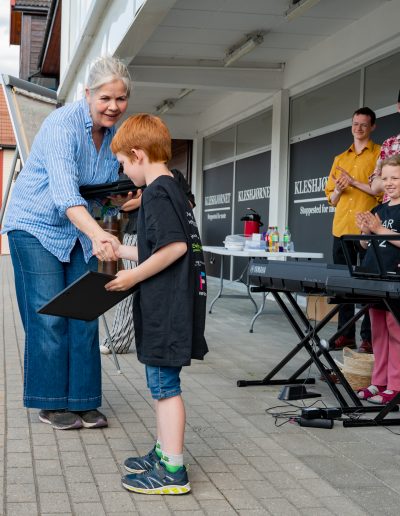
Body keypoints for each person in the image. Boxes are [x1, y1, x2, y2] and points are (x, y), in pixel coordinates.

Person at [1, 56, 131, 430]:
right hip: (36, 226)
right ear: (88, 93)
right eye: (106, 98)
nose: (113, 107)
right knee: (50, 314)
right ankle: (51, 401)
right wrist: (98, 235)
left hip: (78, 228)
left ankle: (84, 400)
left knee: (84, 310)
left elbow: (98, 194)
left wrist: (120, 202)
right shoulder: (62, 126)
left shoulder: (113, 137)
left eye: (121, 99)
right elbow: (65, 195)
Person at [104, 113, 208, 495]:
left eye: (123, 163)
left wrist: (131, 276)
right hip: (170, 303)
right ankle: (164, 452)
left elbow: (175, 248)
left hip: (168, 307)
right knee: (161, 384)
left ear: (138, 154)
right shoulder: (171, 189)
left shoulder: (157, 193)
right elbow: (157, 247)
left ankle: (173, 470)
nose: (124, 171)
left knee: (165, 387)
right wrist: (120, 249)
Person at [100, 170, 195, 355]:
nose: (125, 166)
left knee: (166, 290)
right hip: (135, 234)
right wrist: (157, 199)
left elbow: (188, 203)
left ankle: (169, 339)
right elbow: (117, 205)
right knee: (130, 288)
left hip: (169, 236)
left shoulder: (174, 176)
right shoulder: (127, 176)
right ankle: (118, 340)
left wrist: (148, 198)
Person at [325, 107, 381, 353]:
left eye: (363, 124)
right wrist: (339, 187)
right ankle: (345, 335)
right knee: (343, 285)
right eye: (355, 124)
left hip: (367, 230)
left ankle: (368, 338)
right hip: (341, 229)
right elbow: (332, 199)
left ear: (372, 127)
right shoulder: (340, 158)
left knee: (368, 286)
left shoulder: (380, 154)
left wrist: (353, 182)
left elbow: (380, 192)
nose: (358, 128)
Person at [355, 155, 400, 404]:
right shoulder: (379, 209)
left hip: (395, 282)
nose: (390, 183)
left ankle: (395, 385)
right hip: (374, 279)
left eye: (395, 178)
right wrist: (365, 229)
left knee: (396, 334)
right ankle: (379, 382)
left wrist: (379, 229)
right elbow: (363, 245)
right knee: (378, 334)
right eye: (386, 178)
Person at [369, 89, 400, 198]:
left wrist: (388, 179)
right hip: (390, 212)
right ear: (399, 107)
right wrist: (393, 181)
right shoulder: (389, 144)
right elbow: (374, 184)